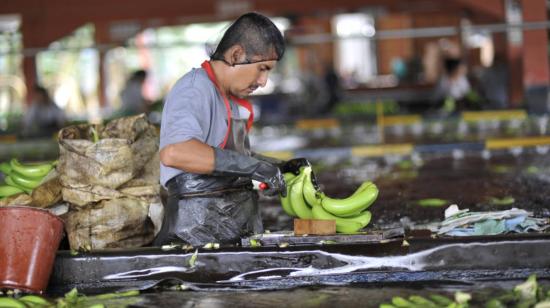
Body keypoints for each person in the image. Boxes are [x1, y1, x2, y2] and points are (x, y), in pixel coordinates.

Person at [154, 12, 289, 247]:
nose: (263, 81)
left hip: (230, 233)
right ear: (236, 55)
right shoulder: (195, 90)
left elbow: (229, 158)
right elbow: (175, 152)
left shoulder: (230, 100)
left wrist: (277, 167)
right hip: (194, 238)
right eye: (262, 68)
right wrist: (253, 167)